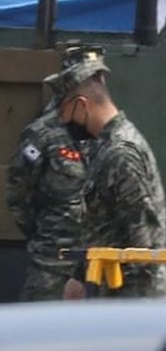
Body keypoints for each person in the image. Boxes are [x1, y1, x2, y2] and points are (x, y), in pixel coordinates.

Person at [57, 46, 166, 298]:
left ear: (81, 105)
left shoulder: (121, 153)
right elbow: (105, 226)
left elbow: (144, 246)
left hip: (137, 298)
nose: (62, 121)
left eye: (63, 111)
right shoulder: (104, 148)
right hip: (116, 294)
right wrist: (80, 276)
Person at [4, 50, 104, 301]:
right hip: (53, 263)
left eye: (99, 79)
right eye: (90, 80)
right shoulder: (43, 134)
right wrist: (45, 234)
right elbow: (18, 193)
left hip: (98, 261)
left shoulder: (106, 132)